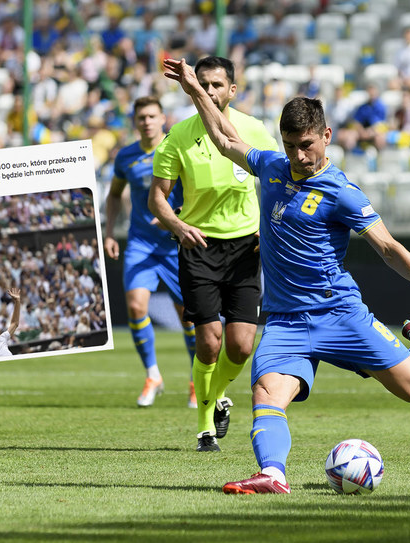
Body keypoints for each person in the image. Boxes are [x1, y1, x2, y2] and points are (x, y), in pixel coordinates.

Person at [161, 57, 410, 494]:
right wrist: (194, 88)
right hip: (285, 322)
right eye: (289, 145)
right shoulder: (271, 167)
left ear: (326, 136)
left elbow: (389, 249)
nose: (298, 155)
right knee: (267, 397)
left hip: (338, 314)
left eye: (306, 144)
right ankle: (272, 474)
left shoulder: (341, 191)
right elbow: (223, 136)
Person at [148, 56, 278, 452]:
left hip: (245, 247)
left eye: (217, 85)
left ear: (232, 90)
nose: (209, 91)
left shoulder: (254, 131)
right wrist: (178, 225)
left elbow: (277, 183)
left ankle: (217, 393)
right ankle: (205, 426)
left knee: (241, 346)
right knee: (209, 342)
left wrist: (267, 228)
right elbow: (157, 197)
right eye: (202, 84)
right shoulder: (178, 137)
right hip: (199, 246)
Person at [105, 96, 198, 408]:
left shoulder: (177, 148)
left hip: (174, 243)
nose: (146, 121)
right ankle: (152, 375)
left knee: (187, 317)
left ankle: (196, 380)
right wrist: (108, 232)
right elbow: (115, 194)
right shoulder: (126, 156)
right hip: (140, 243)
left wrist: (176, 216)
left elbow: (196, 189)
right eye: (141, 116)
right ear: (135, 121)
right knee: (135, 306)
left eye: (151, 116)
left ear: (163, 119)